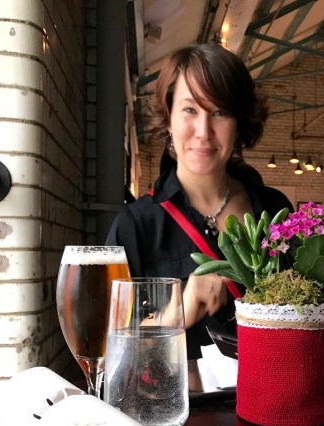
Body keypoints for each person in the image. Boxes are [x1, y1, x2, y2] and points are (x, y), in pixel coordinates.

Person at [106, 44, 292, 359]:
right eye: (190, 110)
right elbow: (112, 350)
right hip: (178, 391)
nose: (203, 132)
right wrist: (175, 313)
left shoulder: (276, 210)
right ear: (168, 117)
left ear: (239, 123)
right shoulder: (135, 226)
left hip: (276, 386)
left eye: (220, 112)